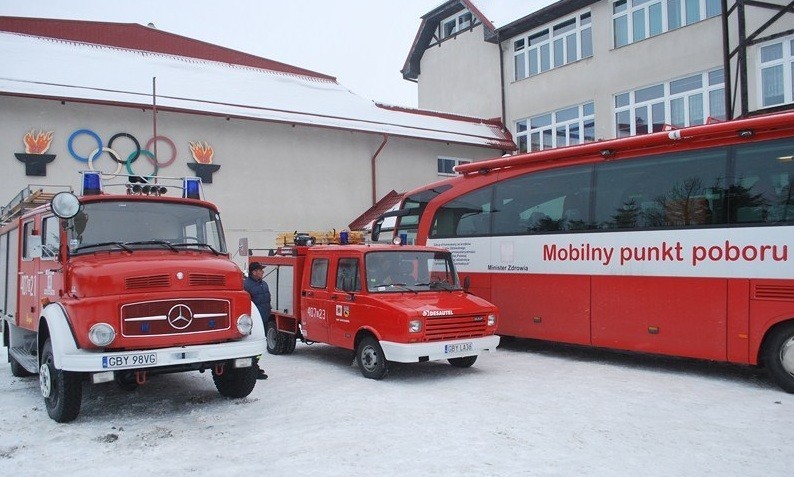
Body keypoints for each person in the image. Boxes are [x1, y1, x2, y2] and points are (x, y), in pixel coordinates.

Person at [244, 261, 271, 380]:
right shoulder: (246, 285)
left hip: (264, 319)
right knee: (253, 345)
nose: (263, 272)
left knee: (260, 346)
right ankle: (252, 368)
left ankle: (255, 365)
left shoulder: (263, 284)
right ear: (254, 272)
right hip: (254, 322)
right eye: (260, 270)